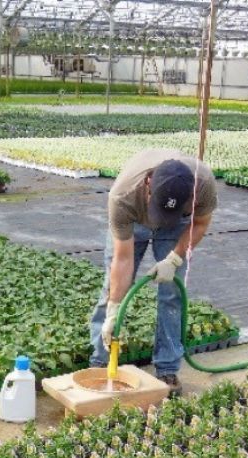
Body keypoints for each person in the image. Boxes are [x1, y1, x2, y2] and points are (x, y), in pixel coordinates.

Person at [89, 149, 218, 396]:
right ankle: (100, 362)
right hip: (134, 221)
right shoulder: (123, 196)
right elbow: (123, 259)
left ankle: (167, 368)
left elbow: (200, 224)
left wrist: (175, 257)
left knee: (172, 294)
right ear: (149, 183)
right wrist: (116, 307)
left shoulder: (202, 184)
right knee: (111, 293)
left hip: (178, 226)